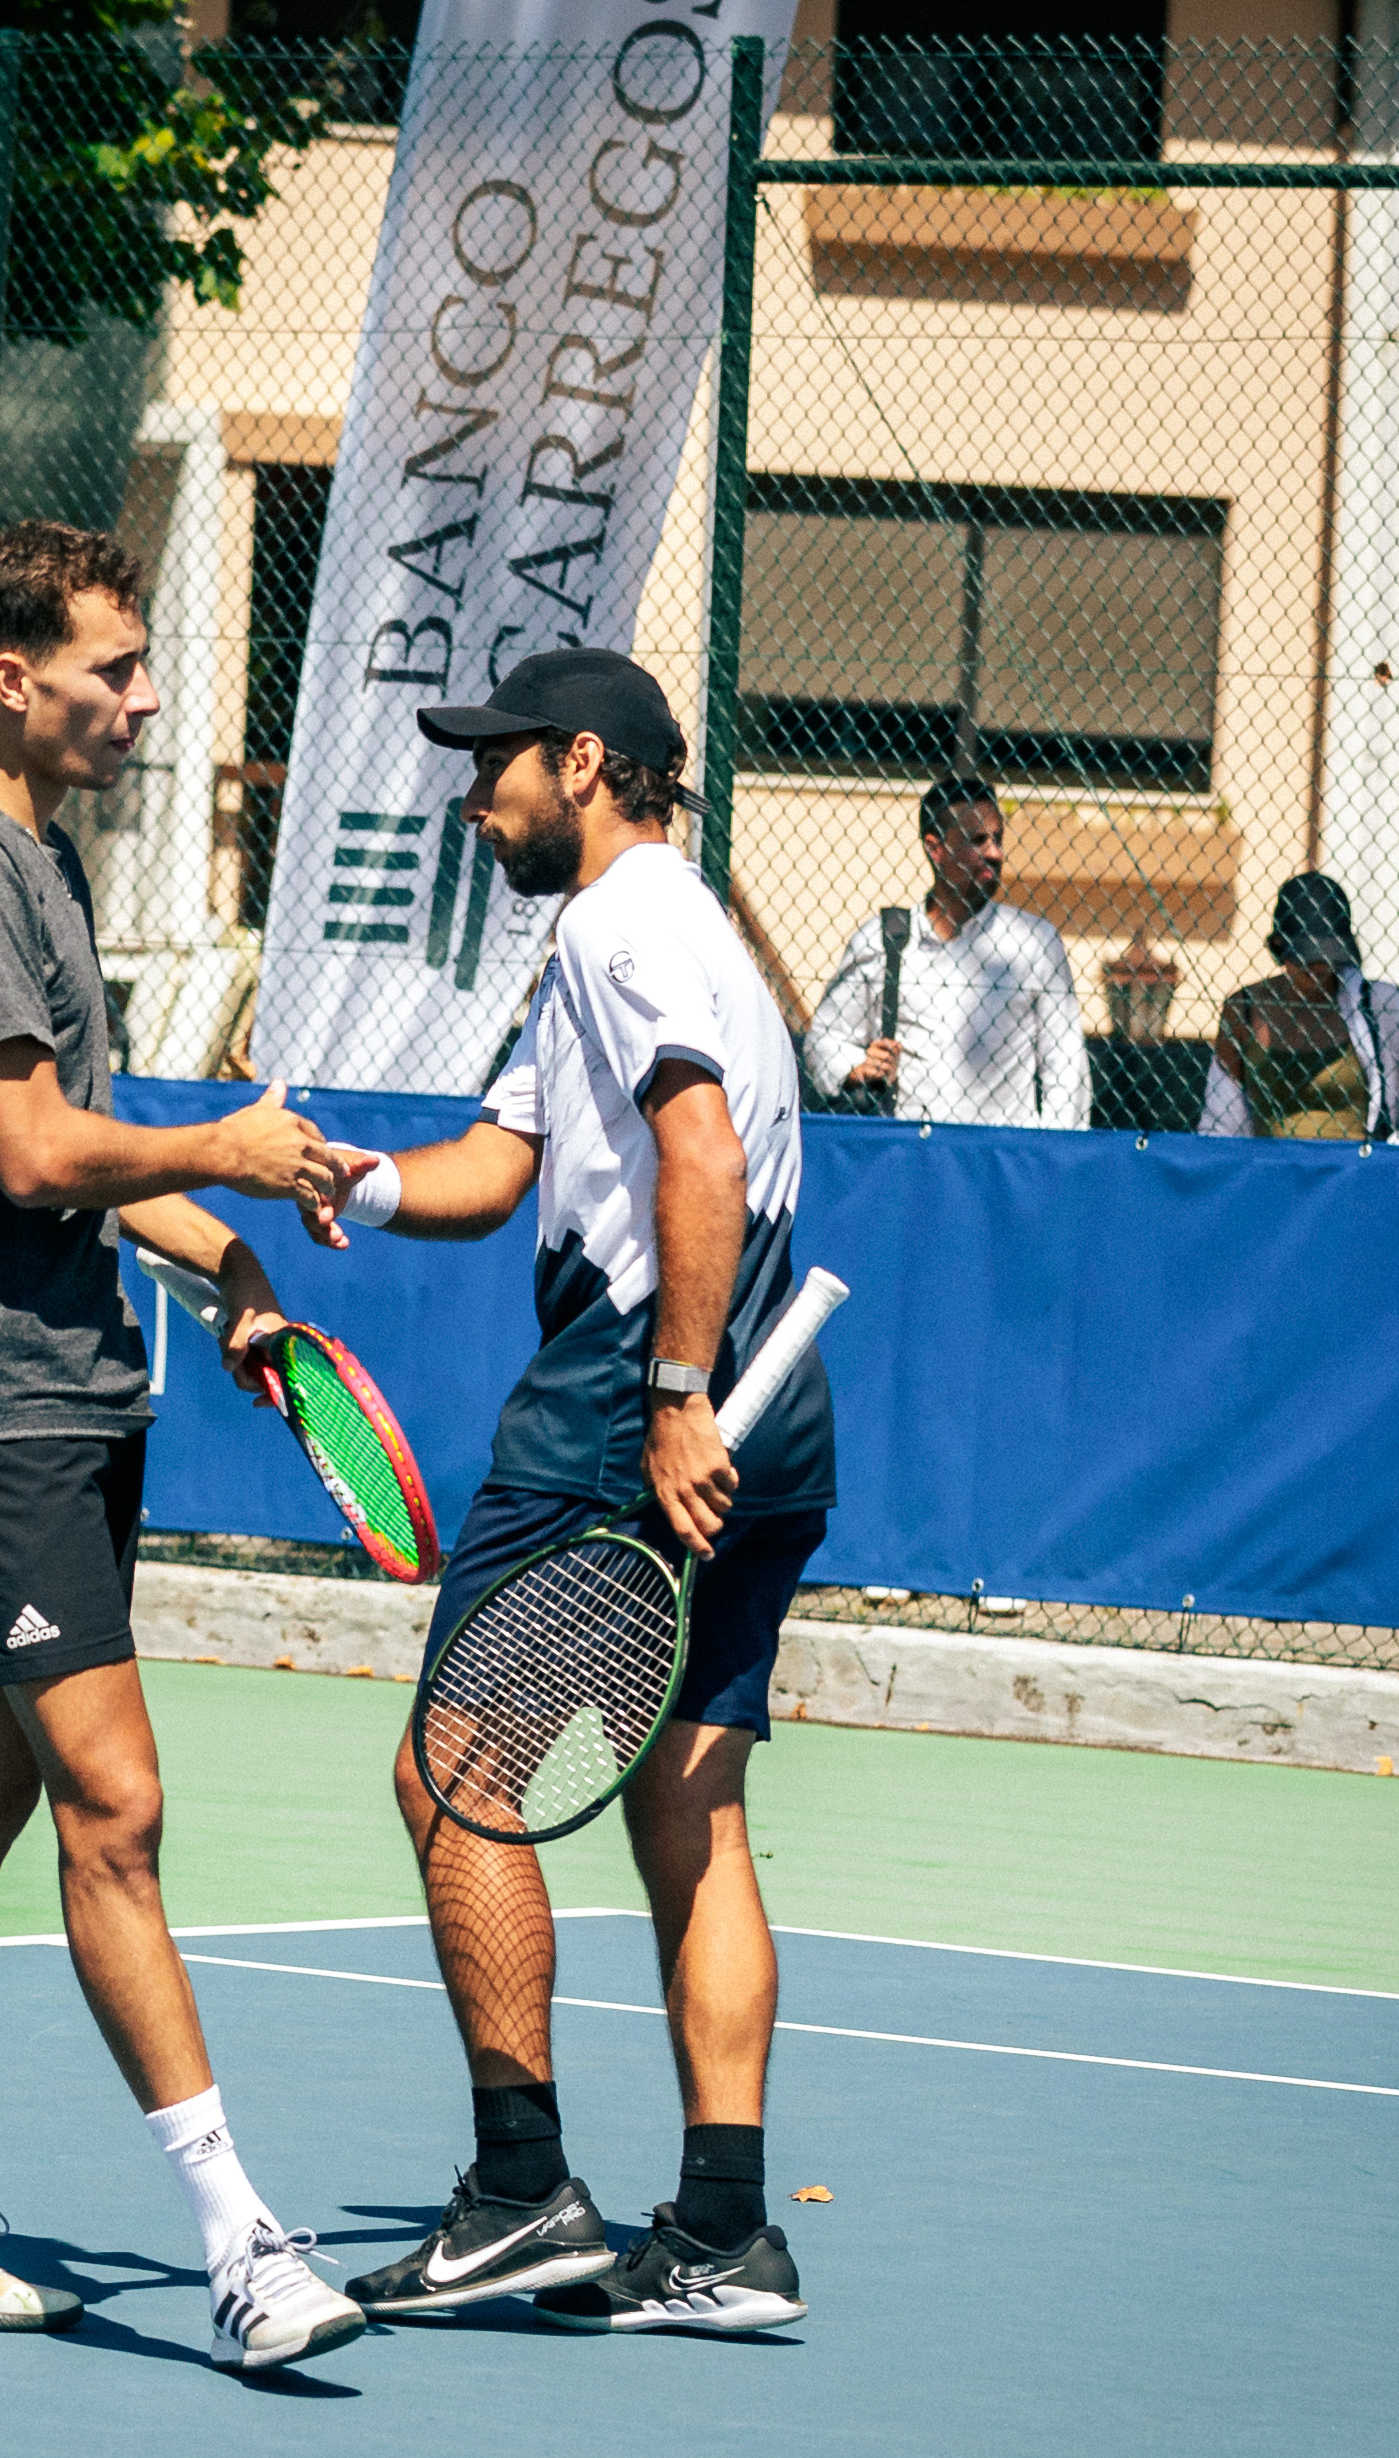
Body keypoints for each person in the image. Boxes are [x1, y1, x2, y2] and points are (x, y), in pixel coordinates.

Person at [0, 520, 368, 2375]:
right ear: (13, 679)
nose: (141, 700)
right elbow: (39, 1157)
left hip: (55, 1393)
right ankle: (242, 2243)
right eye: (113, 670)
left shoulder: (28, 862)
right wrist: (227, 1154)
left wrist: (236, 1267)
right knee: (115, 1809)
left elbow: (84, 1149)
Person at [317, 648, 832, 2336]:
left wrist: (673, 1399)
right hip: (777, 1394)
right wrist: (367, 1185)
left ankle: (521, 2188)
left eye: (501, 766)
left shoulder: (624, 926)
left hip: (642, 1386)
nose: (478, 797)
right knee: (690, 1801)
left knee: (451, 1776)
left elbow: (703, 1157)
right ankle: (726, 2235)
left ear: (589, 765)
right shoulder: (659, 939)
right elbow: (503, 1169)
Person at [805, 776, 1090, 1130]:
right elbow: (823, 1038)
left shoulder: (1035, 942)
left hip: (1000, 1163)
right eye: (977, 840)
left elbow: (1066, 1072)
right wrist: (855, 1067)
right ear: (935, 848)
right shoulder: (882, 940)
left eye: (998, 839)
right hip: (909, 1155)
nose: (995, 853)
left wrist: (1049, 1161)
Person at [1198, 872, 1399, 1146]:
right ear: (1278, 946)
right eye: (1303, 956)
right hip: (1269, 1176)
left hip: (1353, 1178)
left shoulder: (1380, 1005)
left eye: (1324, 956)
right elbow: (1220, 1120)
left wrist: (1386, 1162)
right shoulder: (1244, 1008)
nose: (1315, 967)